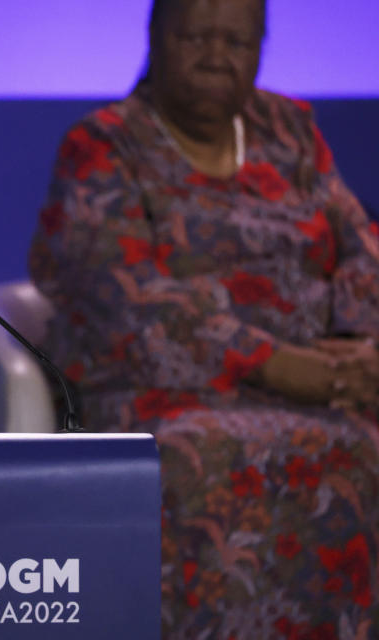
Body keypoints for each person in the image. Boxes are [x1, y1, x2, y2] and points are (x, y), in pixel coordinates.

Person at [30, 0, 379, 636]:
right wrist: (276, 365)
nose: (217, 55)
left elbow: (358, 241)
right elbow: (119, 294)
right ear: (156, 35)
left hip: (323, 380)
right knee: (203, 460)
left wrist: (359, 348)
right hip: (166, 391)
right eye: (197, 35)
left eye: (239, 41)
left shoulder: (290, 128)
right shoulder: (105, 145)